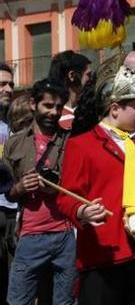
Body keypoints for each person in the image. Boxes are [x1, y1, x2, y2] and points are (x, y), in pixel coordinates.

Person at [55, 56, 135, 303]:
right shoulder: (81, 145)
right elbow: (65, 198)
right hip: (103, 255)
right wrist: (82, 210)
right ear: (115, 109)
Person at [2, 80, 76, 305]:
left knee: (62, 302)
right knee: (18, 301)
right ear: (33, 104)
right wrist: (20, 188)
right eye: (48, 106)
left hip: (65, 235)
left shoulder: (72, 141)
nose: (54, 113)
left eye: (59, 107)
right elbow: (7, 193)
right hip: (30, 235)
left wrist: (57, 188)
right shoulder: (15, 143)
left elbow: (81, 188)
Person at [0, 63, 17, 302]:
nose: (9, 89)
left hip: (15, 212)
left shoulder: (15, 125)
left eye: (11, 84)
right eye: (2, 84)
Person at [47, 51, 91, 131]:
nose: (91, 80)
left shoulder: (87, 111)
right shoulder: (61, 119)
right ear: (72, 75)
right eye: (88, 75)